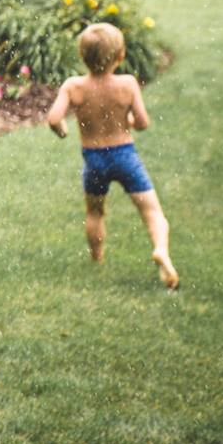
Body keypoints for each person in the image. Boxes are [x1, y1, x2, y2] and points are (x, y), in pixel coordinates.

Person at [48, 22, 178, 289]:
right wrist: (127, 118)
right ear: (120, 56)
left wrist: (61, 130)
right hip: (125, 156)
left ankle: (97, 256)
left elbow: (53, 118)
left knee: (95, 212)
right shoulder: (127, 84)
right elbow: (142, 122)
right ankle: (161, 250)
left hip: (94, 159)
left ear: (82, 56)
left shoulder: (74, 87)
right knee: (152, 210)